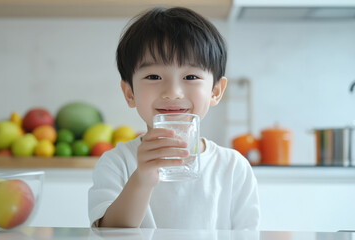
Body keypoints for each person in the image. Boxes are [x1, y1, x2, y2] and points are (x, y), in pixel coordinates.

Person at [88, 6, 260, 230]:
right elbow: (108, 233)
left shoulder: (233, 167)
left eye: (191, 76)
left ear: (215, 91)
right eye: (153, 76)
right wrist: (142, 179)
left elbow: (247, 234)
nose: (173, 92)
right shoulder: (116, 163)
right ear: (129, 93)